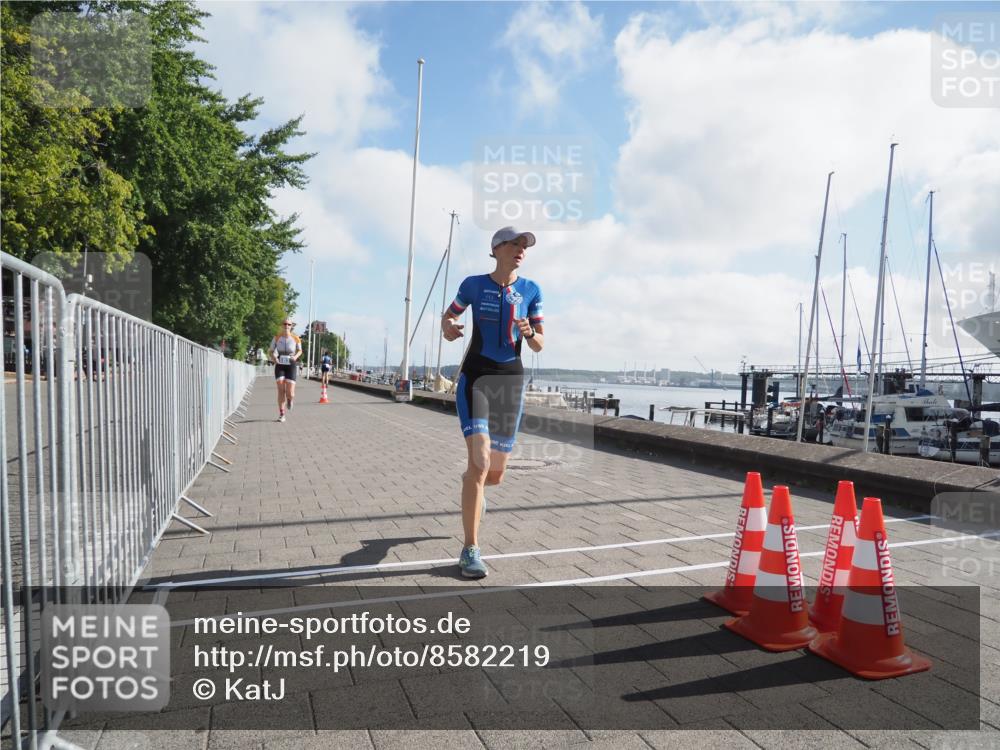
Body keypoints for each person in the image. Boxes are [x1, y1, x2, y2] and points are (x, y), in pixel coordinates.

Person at [441, 226, 545, 578]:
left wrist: (530, 333)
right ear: (497, 248)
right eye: (515, 244)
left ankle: (474, 487)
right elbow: (449, 316)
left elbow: (540, 343)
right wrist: (449, 327)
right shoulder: (473, 285)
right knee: (480, 462)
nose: (521, 250)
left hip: (510, 384)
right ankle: (470, 548)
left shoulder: (531, 290)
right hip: (476, 380)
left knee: (495, 475)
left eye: (524, 246)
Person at [269, 319, 302, 422]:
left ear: (291, 326)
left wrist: (295, 357)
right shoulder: (276, 337)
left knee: (290, 393)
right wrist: (274, 358)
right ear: (282, 325)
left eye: (289, 324)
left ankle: (290, 399)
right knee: (281, 390)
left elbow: (300, 350)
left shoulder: (296, 338)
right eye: (285, 324)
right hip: (280, 364)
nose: (286, 325)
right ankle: (282, 414)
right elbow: (270, 351)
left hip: (291, 364)